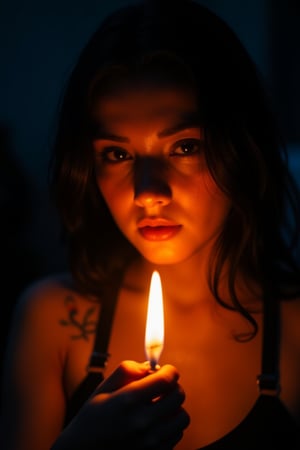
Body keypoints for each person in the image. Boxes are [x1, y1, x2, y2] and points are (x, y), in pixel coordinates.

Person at [1, 0, 300, 448]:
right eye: (117, 155)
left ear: (241, 149)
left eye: (184, 147)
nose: (147, 192)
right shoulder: (51, 321)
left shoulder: (295, 327)